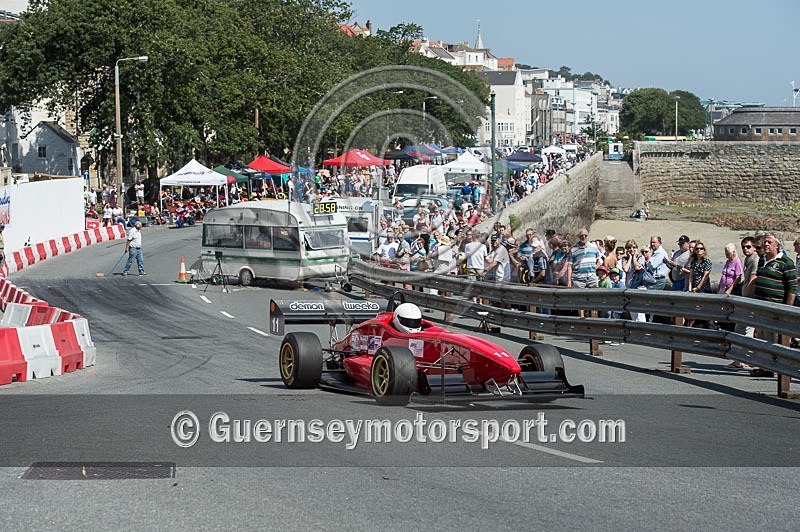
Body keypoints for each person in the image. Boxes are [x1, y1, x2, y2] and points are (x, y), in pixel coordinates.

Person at [750, 233, 797, 376]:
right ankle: (766, 366)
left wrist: (786, 309)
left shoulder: (786, 262)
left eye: (769, 242)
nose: (766, 244)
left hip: (775, 308)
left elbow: (792, 288)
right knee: (763, 338)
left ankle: (777, 368)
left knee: (775, 338)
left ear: (777, 245)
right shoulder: (763, 260)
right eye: (764, 242)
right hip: (761, 307)